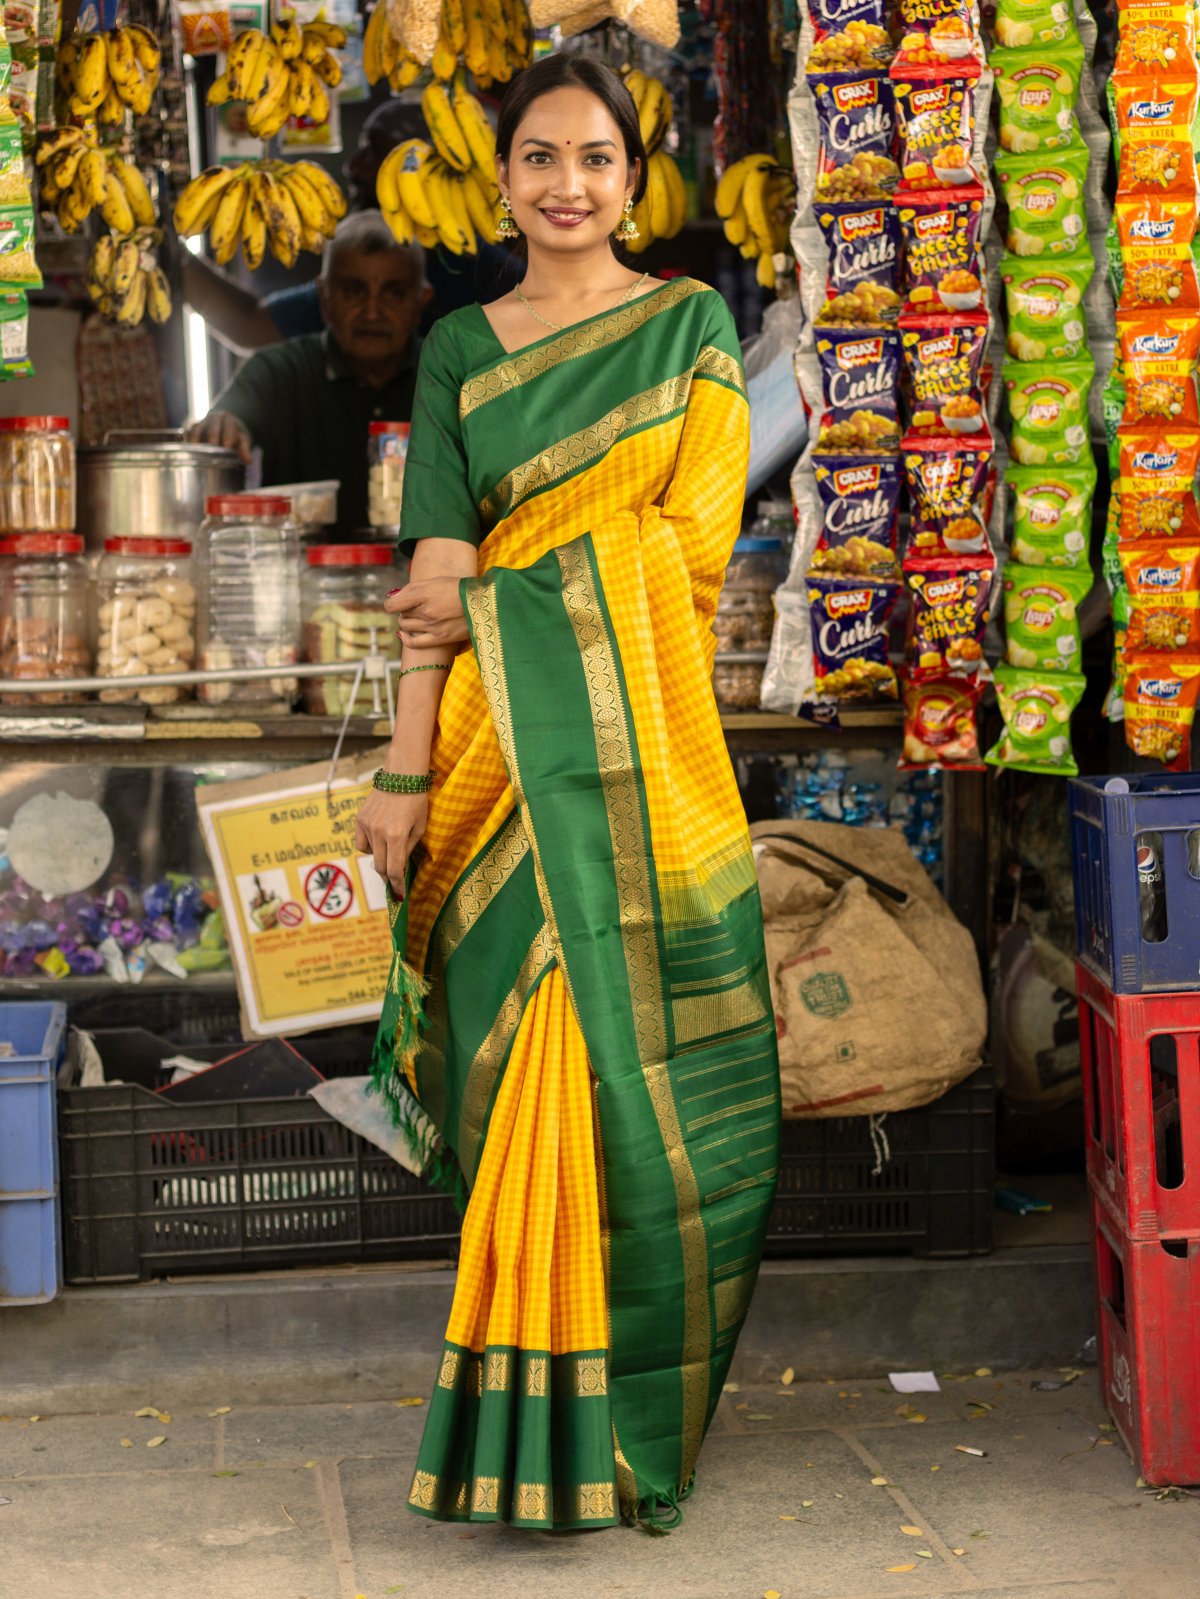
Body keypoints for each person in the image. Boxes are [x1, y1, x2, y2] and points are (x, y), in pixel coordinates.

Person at [354, 53, 781, 1534]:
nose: (567, 185)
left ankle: (627, 1420)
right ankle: (527, 1429)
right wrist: (405, 770)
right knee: (525, 1074)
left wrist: (508, 604)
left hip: (638, 749)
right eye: (539, 156)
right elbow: (436, 582)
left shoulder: (689, 323)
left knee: (644, 1093)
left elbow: (699, 545)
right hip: (490, 757)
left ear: (635, 170)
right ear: (503, 172)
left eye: (596, 158)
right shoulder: (462, 346)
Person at [180, 100, 521, 355]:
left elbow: (250, 327)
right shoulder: (373, 258)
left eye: (373, 154)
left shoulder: (494, 275)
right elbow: (252, 324)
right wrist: (172, 257)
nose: (352, 166)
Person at [185, 210, 430, 530]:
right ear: (324, 298)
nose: (372, 311)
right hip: (299, 574)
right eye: (353, 291)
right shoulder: (278, 371)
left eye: (393, 293)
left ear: (421, 301)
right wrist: (223, 428)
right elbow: (230, 421)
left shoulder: (453, 375)